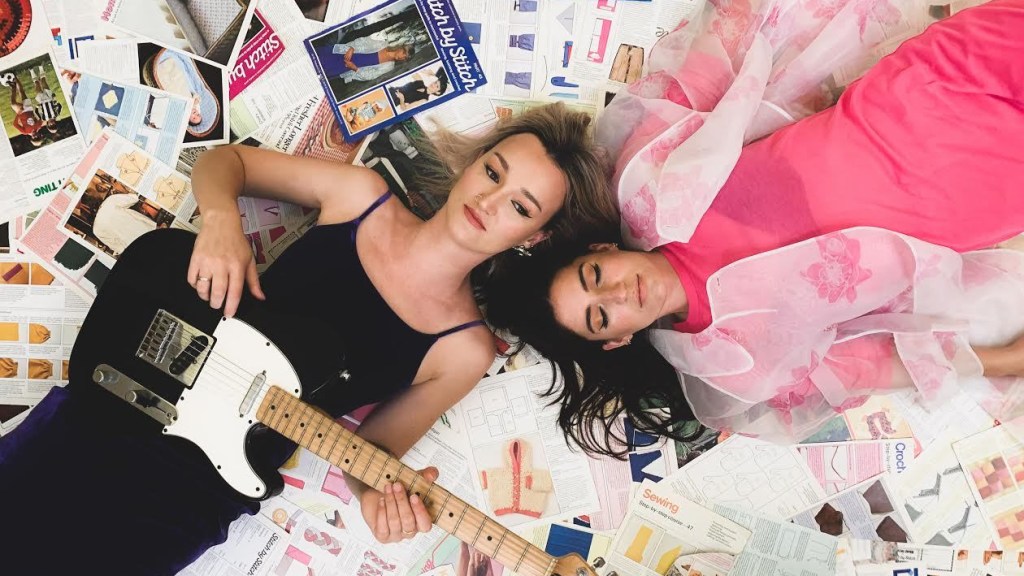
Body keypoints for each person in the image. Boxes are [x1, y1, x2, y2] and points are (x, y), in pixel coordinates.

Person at [0, 102, 618, 574]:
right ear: (473, 163)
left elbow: (373, 452)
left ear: (534, 237)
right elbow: (225, 163)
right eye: (493, 171)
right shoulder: (361, 195)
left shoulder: (465, 350)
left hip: (193, 494)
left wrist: (377, 500)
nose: (489, 199)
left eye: (521, 206)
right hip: (120, 399)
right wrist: (221, 219)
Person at [483, 0, 1024, 450]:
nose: (618, 293)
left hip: (921, 93)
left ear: (602, 250)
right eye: (601, 316)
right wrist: (1004, 361)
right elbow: (867, 365)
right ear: (618, 340)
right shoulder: (733, 363)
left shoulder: (645, 183)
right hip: (971, 199)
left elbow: (718, 51)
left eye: (595, 276)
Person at [314, 36, 415, 84]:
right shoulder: (382, 44)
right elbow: (362, 41)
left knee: (316, 74)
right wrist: (351, 48)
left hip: (345, 68)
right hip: (341, 53)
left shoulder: (389, 66)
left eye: (405, 58)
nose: (402, 57)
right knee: (314, 57)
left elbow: (370, 76)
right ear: (400, 48)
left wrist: (354, 68)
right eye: (404, 53)